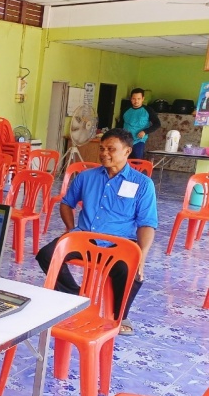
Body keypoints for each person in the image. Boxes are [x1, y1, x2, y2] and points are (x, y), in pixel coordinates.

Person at [35, 128, 157, 336]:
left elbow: (146, 224)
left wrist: (141, 256)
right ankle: (73, 297)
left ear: (127, 151)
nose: (104, 153)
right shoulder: (86, 177)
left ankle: (120, 315)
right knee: (47, 255)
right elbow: (66, 203)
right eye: (101, 149)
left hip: (119, 242)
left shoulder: (143, 184)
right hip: (83, 237)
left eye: (111, 149)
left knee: (131, 272)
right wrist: (69, 229)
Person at [117, 88, 160, 160]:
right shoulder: (125, 110)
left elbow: (157, 124)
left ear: (143, 99)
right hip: (125, 140)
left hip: (139, 141)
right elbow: (120, 124)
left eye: (138, 99)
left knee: (137, 161)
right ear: (131, 99)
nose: (136, 101)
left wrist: (145, 131)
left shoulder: (148, 110)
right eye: (134, 99)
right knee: (123, 160)